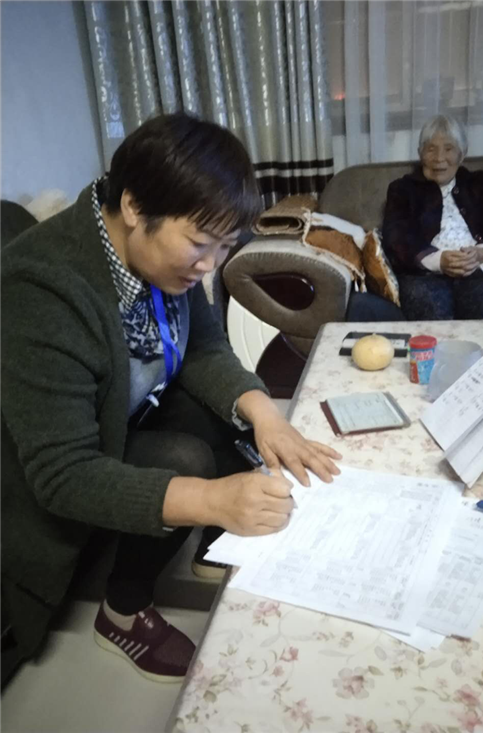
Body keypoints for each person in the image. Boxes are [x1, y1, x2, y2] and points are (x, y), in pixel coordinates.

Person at [1, 112, 342, 686]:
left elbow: (203, 347)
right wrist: (211, 500)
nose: (210, 265)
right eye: (200, 245)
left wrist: (267, 416)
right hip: (51, 472)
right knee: (188, 461)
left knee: (236, 417)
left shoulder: (157, 256)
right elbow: (62, 474)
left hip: (123, 415)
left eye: (225, 246)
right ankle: (122, 610)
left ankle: (214, 544)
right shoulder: (42, 290)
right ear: (135, 207)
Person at [382, 114, 483, 320]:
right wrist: (438, 260)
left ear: (462, 154)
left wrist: (482, 253)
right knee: (429, 305)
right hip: (423, 275)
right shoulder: (402, 190)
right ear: (420, 154)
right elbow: (396, 235)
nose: (439, 158)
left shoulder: (482, 184)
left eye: (449, 149)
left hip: (480, 271)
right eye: (431, 149)